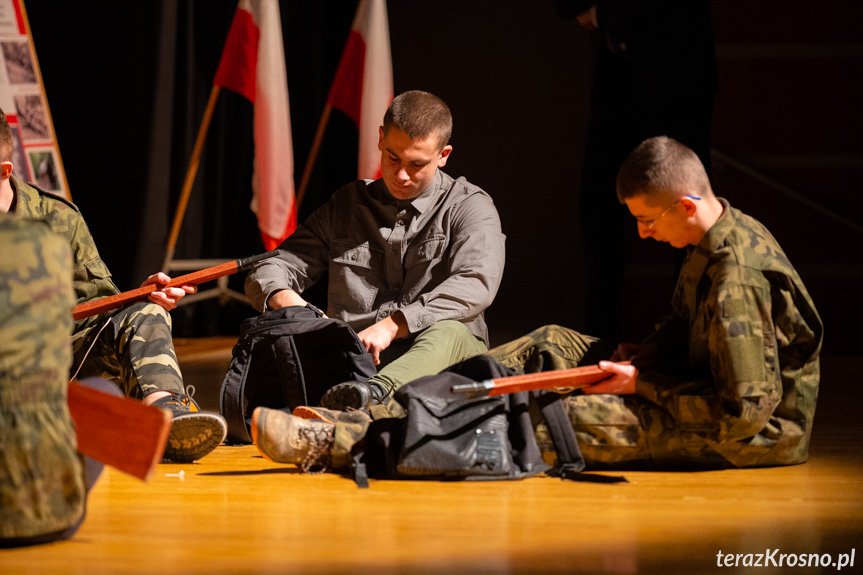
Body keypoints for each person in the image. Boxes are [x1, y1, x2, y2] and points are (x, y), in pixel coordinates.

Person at [252, 136, 822, 472]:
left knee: (543, 420)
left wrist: (637, 385)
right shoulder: (710, 239)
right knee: (552, 342)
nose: (645, 235)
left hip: (749, 435)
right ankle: (375, 413)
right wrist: (650, 352)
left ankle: (338, 443)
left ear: (688, 203)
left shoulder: (736, 279)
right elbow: (686, 327)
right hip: (697, 387)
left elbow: (744, 413)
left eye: (649, 220)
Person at [244, 90, 505, 410]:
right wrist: (288, 301)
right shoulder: (348, 204)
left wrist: (396, 324)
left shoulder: (469, 206)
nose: (401, 175)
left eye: (417, 164)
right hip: (357, 360)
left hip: (440, 360)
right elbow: (276, 264)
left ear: (443, 154)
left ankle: (367, 401)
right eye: (393, 157)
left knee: (451, 330)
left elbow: (476, 283)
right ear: (381, 139)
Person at [0, 108, 226, 463]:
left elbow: (100, 306)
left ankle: (168, 418)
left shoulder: (57, 218)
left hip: (61, 360)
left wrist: (137, 299)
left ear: (4, 172)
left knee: (144, 313)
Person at [554, 0, 718, 342]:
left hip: (679, 79)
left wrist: (604, 13)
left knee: (689, 205)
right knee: (598, 207)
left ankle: (688, 337)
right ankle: (601, 340)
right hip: (615, 81)